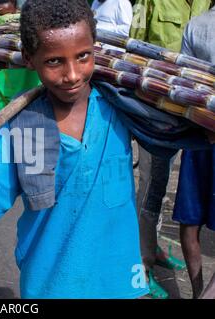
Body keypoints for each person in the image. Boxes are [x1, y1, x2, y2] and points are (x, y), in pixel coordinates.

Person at [0, 0, 210, 298]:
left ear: (95, 48)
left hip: (120, 280)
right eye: (54, 61)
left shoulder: (119, 105)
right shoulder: (22, 124)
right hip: (51, 284)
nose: (72, 74)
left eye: (83, 56)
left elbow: (175, 129)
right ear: (29, 59)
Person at [129, 0, 211, 299]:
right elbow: (132, 47)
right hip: (158, 115)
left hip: (200, 122)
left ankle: (155, 248)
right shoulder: (152, 1)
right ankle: (142, 263)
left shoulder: (206, 3)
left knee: (169, 194)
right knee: (151, 185)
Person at [173, 4, 215, 299]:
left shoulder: (196, 24)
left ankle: (198, 291)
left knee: (190, 220)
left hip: (196, 131)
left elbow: (183, 77)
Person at [0, 0, 42, 113]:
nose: (6, 20)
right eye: (0, 16)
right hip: (5, 97)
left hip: (34, 93)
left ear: (17, 11)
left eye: (10, 15)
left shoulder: (29, 32)